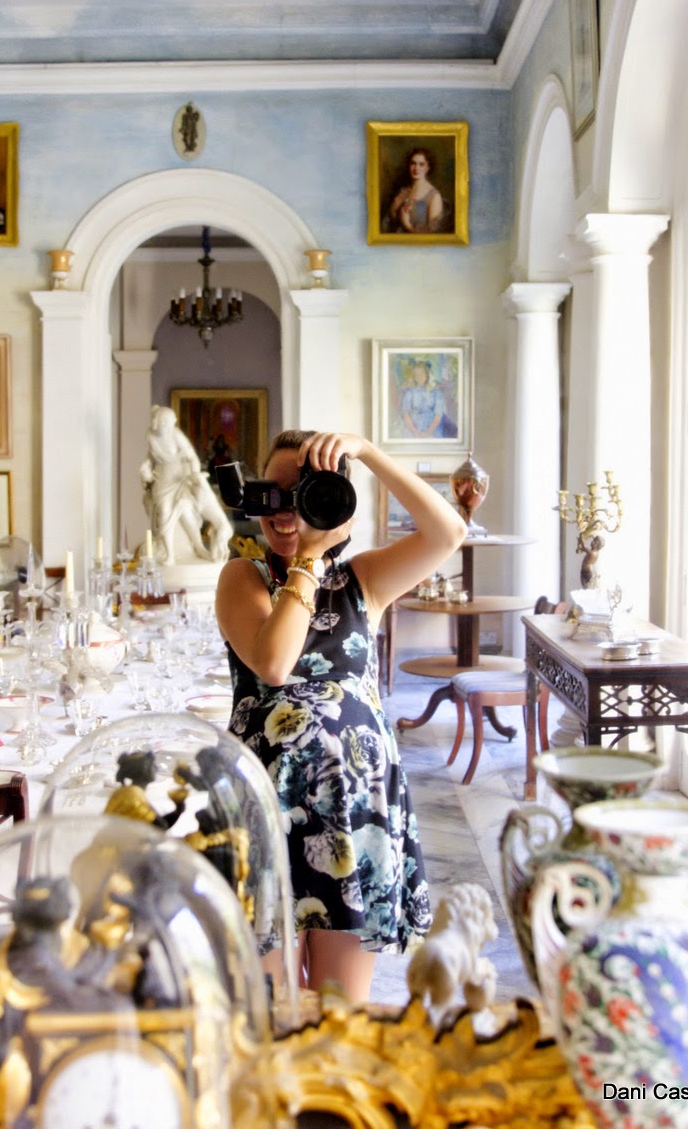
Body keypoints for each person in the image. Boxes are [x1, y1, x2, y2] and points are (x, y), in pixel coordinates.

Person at [216, 429, 467, 1002]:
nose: (286, 512)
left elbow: (449, 532)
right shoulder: (243, 577)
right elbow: (274, 663)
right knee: (272, 1008)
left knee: (340, 1009)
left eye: (303, 494)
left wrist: (370, 453)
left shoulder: (362, 581)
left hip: (355, 811)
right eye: (274, 493)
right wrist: (308, 558)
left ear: (332, 502)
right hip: (264, 807)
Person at [140, 404, 232, 565]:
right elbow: (150, 458)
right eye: (164, 423)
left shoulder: (175, 434)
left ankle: (198, 547)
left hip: (180, 479)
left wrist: (195, 474)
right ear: (157, 422)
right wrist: (145, 469)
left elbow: (192, 458)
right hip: (162, 481)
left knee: (186, 511)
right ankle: (169, 554)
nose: (167, 427)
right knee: (164, 513)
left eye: (169, 424)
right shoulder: (150, 436)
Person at [384, 146, 448, 234]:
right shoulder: (403, 191)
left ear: (428, 167)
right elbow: (390, 222)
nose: (416, 168)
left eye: (421, 164)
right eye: (413, 163)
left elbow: (431, 234)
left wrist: (407, 224)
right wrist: (394, 207)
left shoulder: (434, 196)